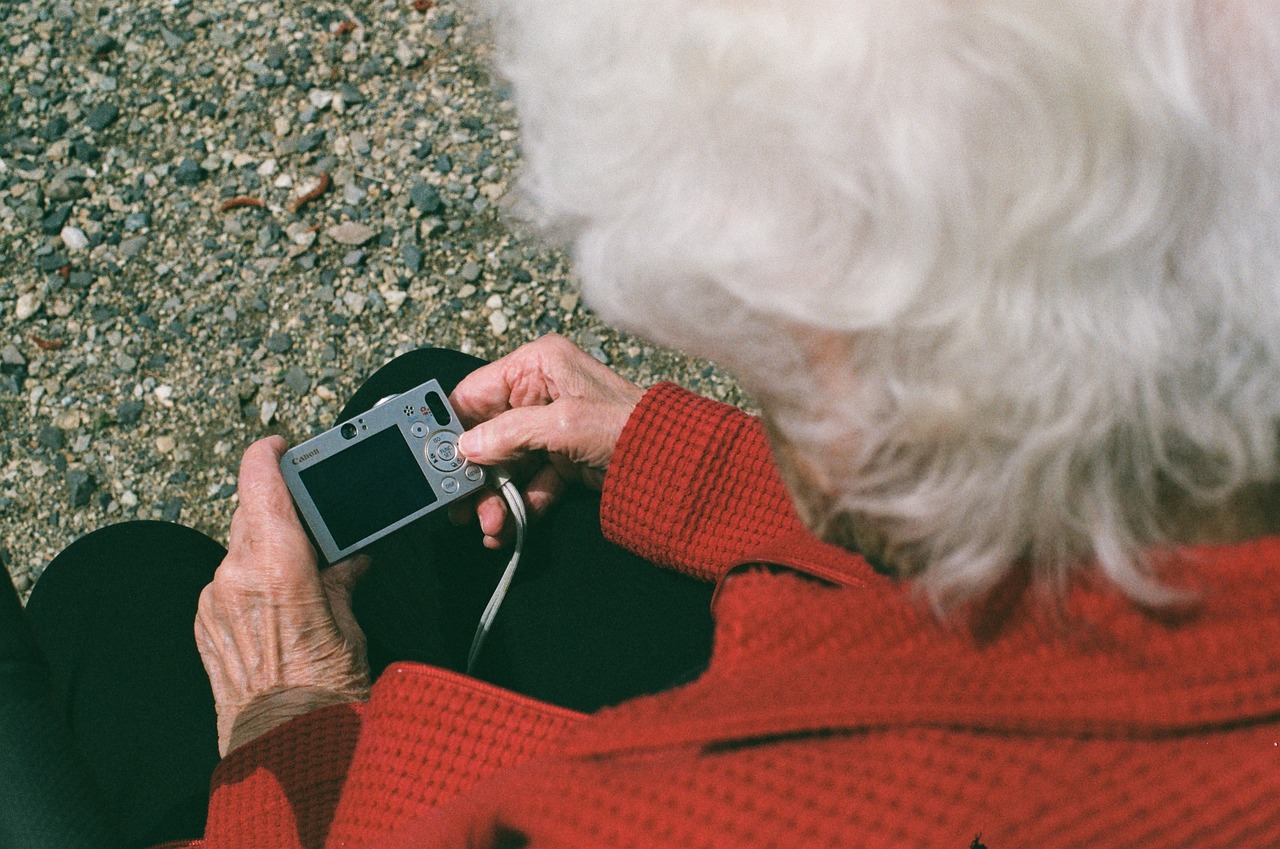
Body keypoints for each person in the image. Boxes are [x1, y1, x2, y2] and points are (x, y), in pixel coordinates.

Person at [10, 0, 1280, 846]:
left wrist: (286, 712)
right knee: (427, 393)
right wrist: (697, 459)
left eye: (765, 344)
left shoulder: (741, 801)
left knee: (115, 596)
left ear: (882, 387)